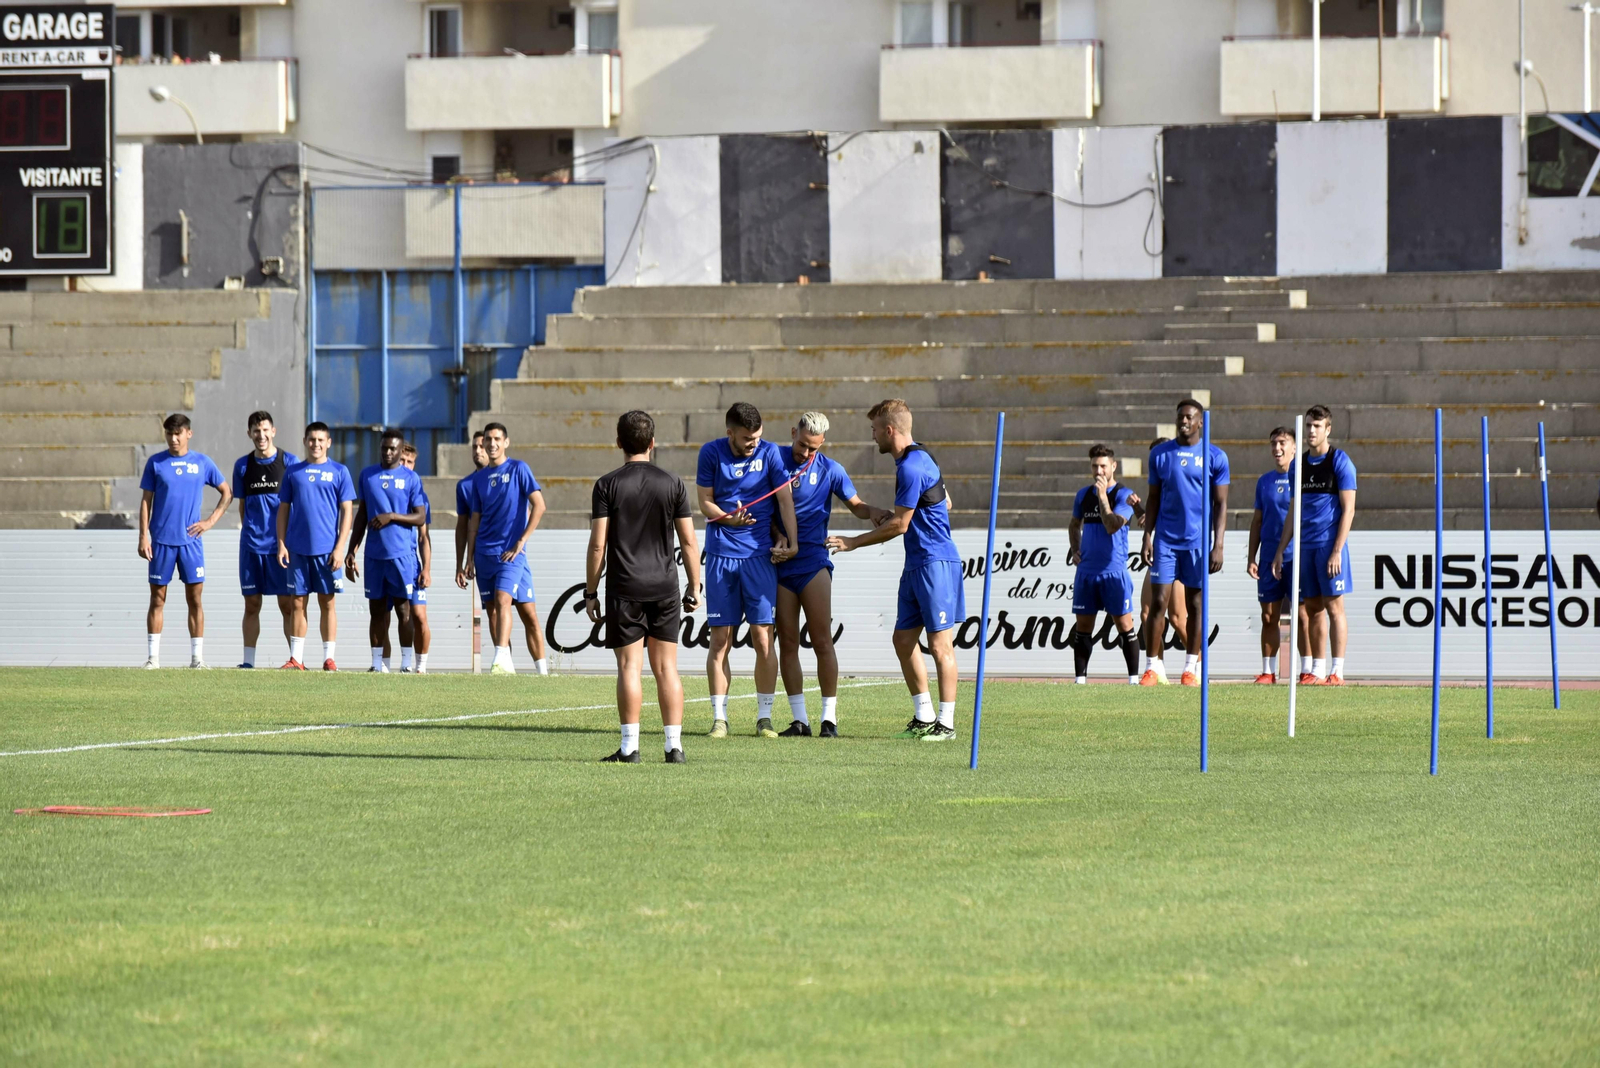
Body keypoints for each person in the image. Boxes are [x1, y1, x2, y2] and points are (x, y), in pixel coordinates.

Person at [827, 398, 963, 742]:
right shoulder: (919, 457)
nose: (872, 436)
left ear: (890, 430)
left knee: (940, 645)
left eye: (875, 429)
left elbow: (901, 525)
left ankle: (946, 725)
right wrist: (908, 513)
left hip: (935, 562)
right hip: (917, 563)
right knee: (903, 640)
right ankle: (924, 716)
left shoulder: (911, 466)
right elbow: (946, 502)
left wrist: (853, 542)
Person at [586, 410, 704, 763]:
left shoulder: (606, 485)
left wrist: (590, 592)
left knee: (629, 668)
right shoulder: (673, 483)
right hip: (665, 586)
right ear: (652, 443)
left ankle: (629, 748)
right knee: (667, 668)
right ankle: (674, 747)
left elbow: (598, 546)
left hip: (625, 587)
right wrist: (695, 586)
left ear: (618, 442)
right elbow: (689, 541)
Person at [770, 412, 890, 737]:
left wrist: (873, 511)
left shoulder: (830, 469)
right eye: (802, 445)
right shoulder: (773, 460)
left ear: (822, 443)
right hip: (780, 564)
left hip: (813, 562)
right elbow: (764, 508)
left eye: (814, 448)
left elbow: (856, 505)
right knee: (788, 643)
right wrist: (776, 536)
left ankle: (829, 720)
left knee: (822, 640)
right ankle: (799, 720)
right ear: (793, 432)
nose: (806, 453)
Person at [696, 402, 800, 738]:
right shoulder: (711, 453)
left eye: (757, 436)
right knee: (720, 640)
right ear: (730, 433)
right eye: (746, 438)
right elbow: (704, 501)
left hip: (759, 558)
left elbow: (784, 500)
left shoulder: (770, 454)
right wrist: (728, 519)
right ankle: (719, 719)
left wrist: (792, 542)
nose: (753, 443)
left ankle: (764, 718)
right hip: (721, 556)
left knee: (763, 639)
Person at [1140, 399, 1229, 687]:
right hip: (1166, 541)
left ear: (1201, 422)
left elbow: (1221, 504)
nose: (1184, 421)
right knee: (1158, 602)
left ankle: (1191, 667)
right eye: (1180, 417)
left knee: (1195, 604)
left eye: (1190, 417)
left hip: (1198, 543)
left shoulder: (1215, 457)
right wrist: (1148, 536)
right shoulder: (1161, 455)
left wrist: (1218, 544)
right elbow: (1153, 498)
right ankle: (1152, 667)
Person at [138, 413, 231, 669]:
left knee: (195, 600)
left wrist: (209, 522)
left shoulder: (202, 463)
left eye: (178, 433)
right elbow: (146, 501)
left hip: (191, 542)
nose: (173, 439)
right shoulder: (156, 463)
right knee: (157, 599)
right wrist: (144, 535)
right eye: (169, 433)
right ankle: (153, 659)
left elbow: (227, 492)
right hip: (161, 542)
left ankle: (197, 659)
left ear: (189, 433)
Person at [1274, 404, 1358, 686]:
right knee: (1312, 609)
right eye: (1308, 425)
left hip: (1328, 547)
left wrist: (1336, 550)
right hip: (1305, 547)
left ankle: (1338, 671)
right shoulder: (1297, 466)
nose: (1311, 430)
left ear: (1328, 429)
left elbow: (1348, 510)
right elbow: (1293, 510)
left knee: (1335, 608)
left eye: (1317, 426)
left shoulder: (1340, 461)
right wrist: (1280, 550)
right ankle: (1318, 669)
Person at [460, 422, 549, 676]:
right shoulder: (478, 479)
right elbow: (474, 521)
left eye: (497, 439)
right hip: (484, 554)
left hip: (512, 554)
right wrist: (469, 558)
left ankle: (536, 671)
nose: (492, 444)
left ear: (506, 442)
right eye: (487, 439)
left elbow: (539, 505)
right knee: (493, 612)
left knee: (515, 608)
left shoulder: (519, 469)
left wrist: (521, 541)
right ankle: (506, 666)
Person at [345, 429, 427, 674]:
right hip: (374, 555)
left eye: (393, 448)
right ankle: (378, 663)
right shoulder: (367, 475)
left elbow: (420, 516)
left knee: (404, 610)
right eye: (384, 448)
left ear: (401, 451)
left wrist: (391, 516)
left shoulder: (411, 478)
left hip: (401, 556)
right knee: (377, 611)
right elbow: (362, 515)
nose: (388, 452)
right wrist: (352, 550)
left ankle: (406, 664)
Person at [276, 422, 355, 671]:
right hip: (297, 550)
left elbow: (347, 512)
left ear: (328, 443)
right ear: (305, 441)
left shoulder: (340, 471)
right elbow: (283, 511)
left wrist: (340, 548)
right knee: (297, 603)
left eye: (321, 440)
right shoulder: (293, 472)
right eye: (312, 439)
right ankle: (296, 659)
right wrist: (281, 544)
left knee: (327, 603)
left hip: (327, 552)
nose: (316, 444)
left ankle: (329, 659)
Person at [1066, 445, 1142, 685]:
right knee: (1083, 628)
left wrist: (1102, 498)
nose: (1098, 471)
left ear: (1113, 466)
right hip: (1087, 573)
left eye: (1103, 466)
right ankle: (1080, 681)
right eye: (1094, 466)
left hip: (1114, 572)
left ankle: (1133, 680)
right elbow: (1074, 524)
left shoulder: (1123, 495)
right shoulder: (1083, 495)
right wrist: (1075, 549)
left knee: (1125, 626)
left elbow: (1112, 526)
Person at [1246, 426, 1311, 684]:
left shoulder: (1303, 479)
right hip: (1268, 559)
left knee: (1302, 615)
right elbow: (1257, 521)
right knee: (1268, 616)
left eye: (1283, 442)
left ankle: (1307, 670)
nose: (1277, 448)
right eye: (1274, 443)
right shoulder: (1264, 482)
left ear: (1294, 447)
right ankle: (1268, 671)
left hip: (1296, 557)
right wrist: (1252, 557)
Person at [233, 411, 297, 669]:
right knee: (251, 604)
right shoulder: (242, 466)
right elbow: (242, 506)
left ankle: (296, 660)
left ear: (273, 431)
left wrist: (287, 540)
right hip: (251, 547)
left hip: (280, 548)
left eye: (265, 430)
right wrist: (251, 531)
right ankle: (248, 663)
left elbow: (296, 504)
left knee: (287, 605)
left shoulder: (289, 462)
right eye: (256, 431)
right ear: (249, 433)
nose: (261, 435)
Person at [1137, 437, 1184, 684]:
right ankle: (1157, 669)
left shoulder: (1180, 482)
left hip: (1179, 553)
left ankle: (1197, 666)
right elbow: (1152, 517)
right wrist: (1140, 512)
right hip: (1160, 553)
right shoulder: (1157, 486)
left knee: (1177, 619)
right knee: (1147, 613)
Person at [401, 443, 432, 673]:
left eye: (409, 462)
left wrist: (427, 568)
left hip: (412, 563)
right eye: (402, 460)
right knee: (387, 615)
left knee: (419, 616)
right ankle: (386, 665)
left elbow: (424, 536)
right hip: (388, 560)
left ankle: (421, 667)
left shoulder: (420, 496)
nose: (405, 465)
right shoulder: (383, 487)